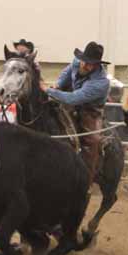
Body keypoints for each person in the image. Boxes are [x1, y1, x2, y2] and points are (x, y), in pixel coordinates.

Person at [45, 41, 110, 178]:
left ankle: (86, 178)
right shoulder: (77, 62)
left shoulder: (101, 82)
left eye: (90, 63)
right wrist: (58, 85)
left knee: (93, 140)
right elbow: (66, 72)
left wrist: (49, 91)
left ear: (97, 65)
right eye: (84, 61)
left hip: (90, 111)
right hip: (70, 101)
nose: (85, 65)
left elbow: (74, 98)